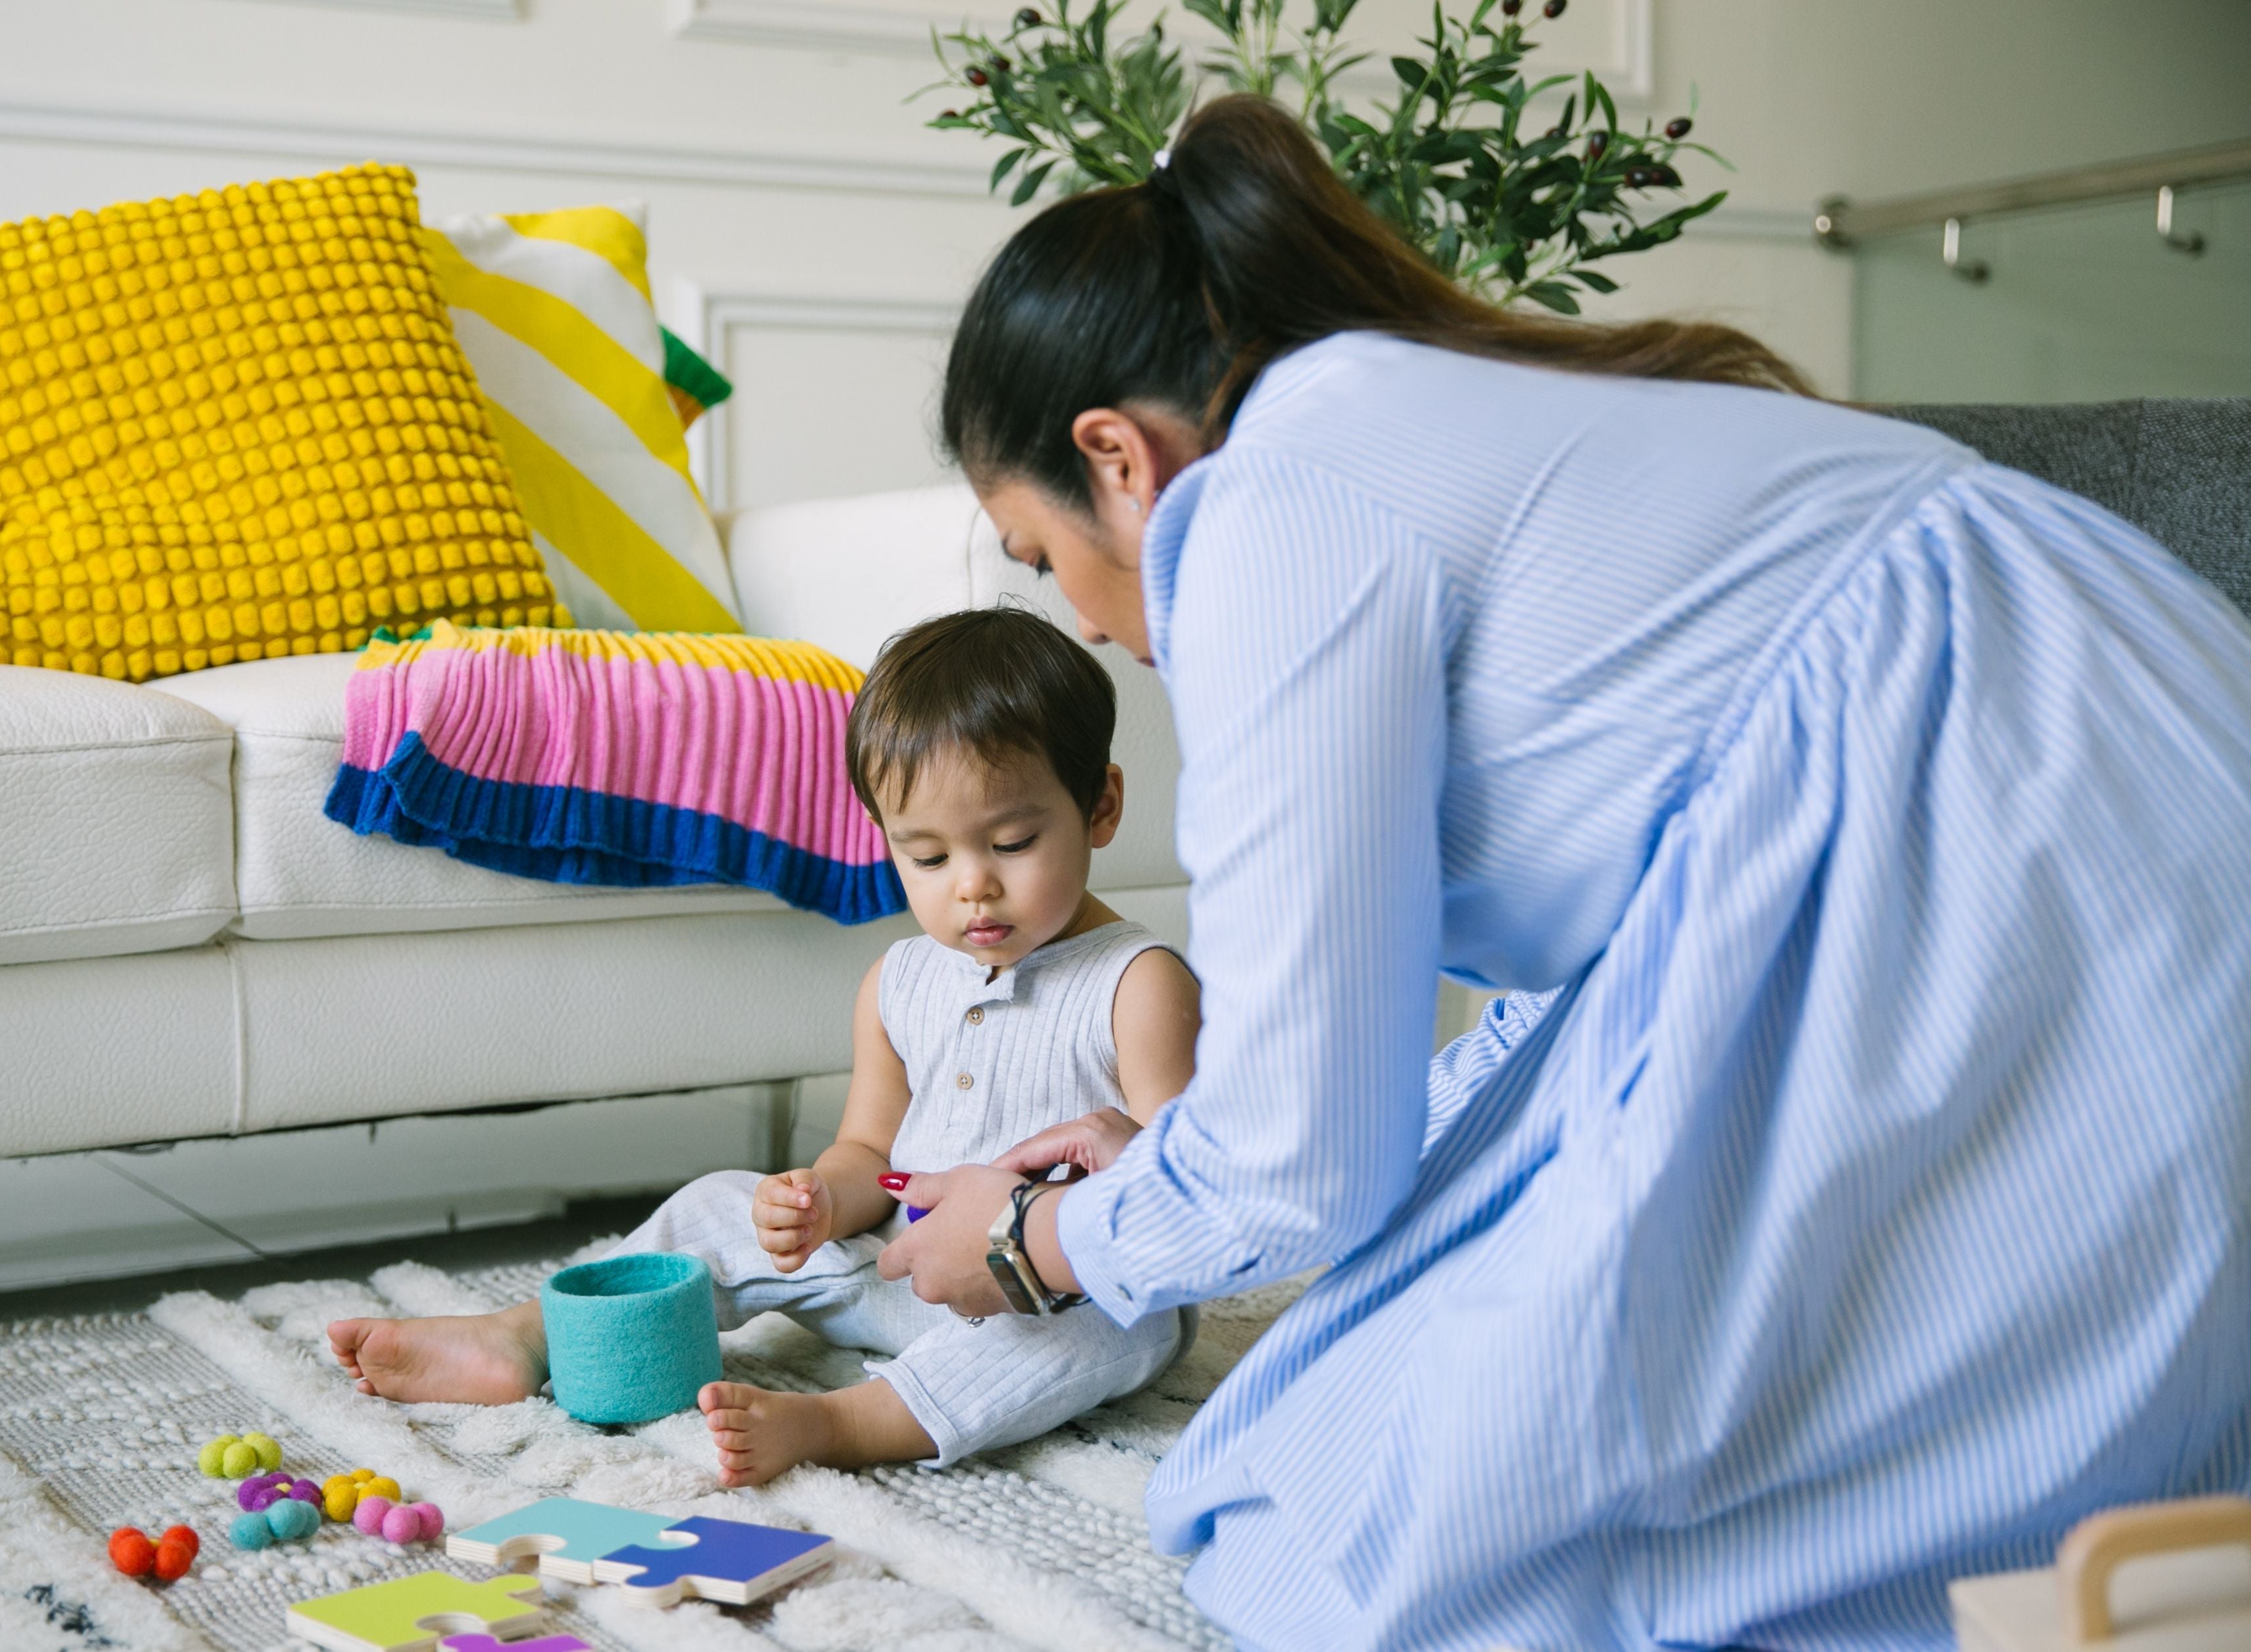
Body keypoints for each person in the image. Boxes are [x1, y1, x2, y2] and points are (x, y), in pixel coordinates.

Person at [871, 93, 2251, 1651]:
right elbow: (1533, 1033)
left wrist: (1030, 1243)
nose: (1097, 627)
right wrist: (1151, 1161)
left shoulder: (1263, 500)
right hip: (2152, 734)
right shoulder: (1430, 405)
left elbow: (1299, 1166)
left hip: (2015, 840)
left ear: (1116, 458)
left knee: (1341, 1528)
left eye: (1044, 561)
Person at [326, 606, 1202, 1486]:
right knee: (717, 1204)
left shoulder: (1135, 981)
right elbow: (871, 1152)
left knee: (1131, 1325)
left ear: (1101, 805)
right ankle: (524, 1334)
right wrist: (820, 1198)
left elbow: (1174, 1202)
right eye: (927, 856)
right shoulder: (898, 980)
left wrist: (1053, 1244)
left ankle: (842, 1421)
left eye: (1012, 842)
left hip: (1040, 1294)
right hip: (893, 1264)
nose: (972, 885)